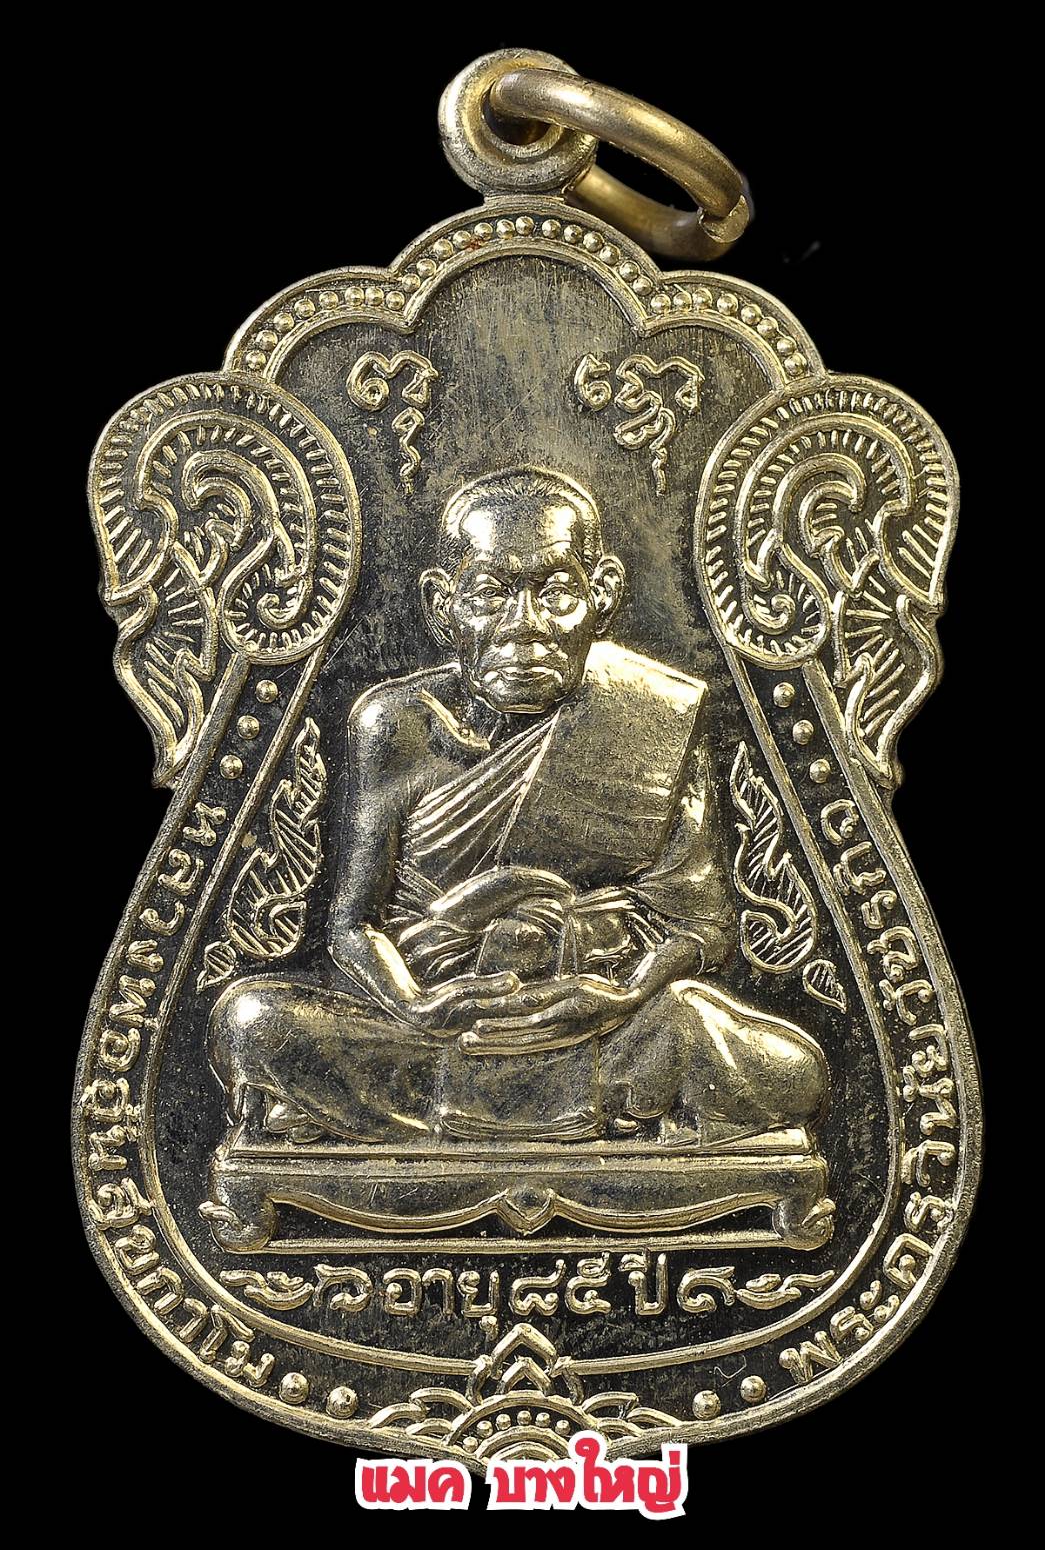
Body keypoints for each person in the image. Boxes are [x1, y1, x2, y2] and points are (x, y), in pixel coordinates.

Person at [209, 466, 828, 1150]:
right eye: (489, 594)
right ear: (442, 605)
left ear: (602, 595)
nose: (524, 626)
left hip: (595, 1022)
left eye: (556, 591)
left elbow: (702, 927)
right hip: (438, 1023)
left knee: (789, 1070)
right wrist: (417, 1002)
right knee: (253, 1021)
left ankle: (431, 1113)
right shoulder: (395, 723)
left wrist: (622, 994)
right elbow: (354, 926)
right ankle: (590, 1111)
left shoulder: (653, 716)